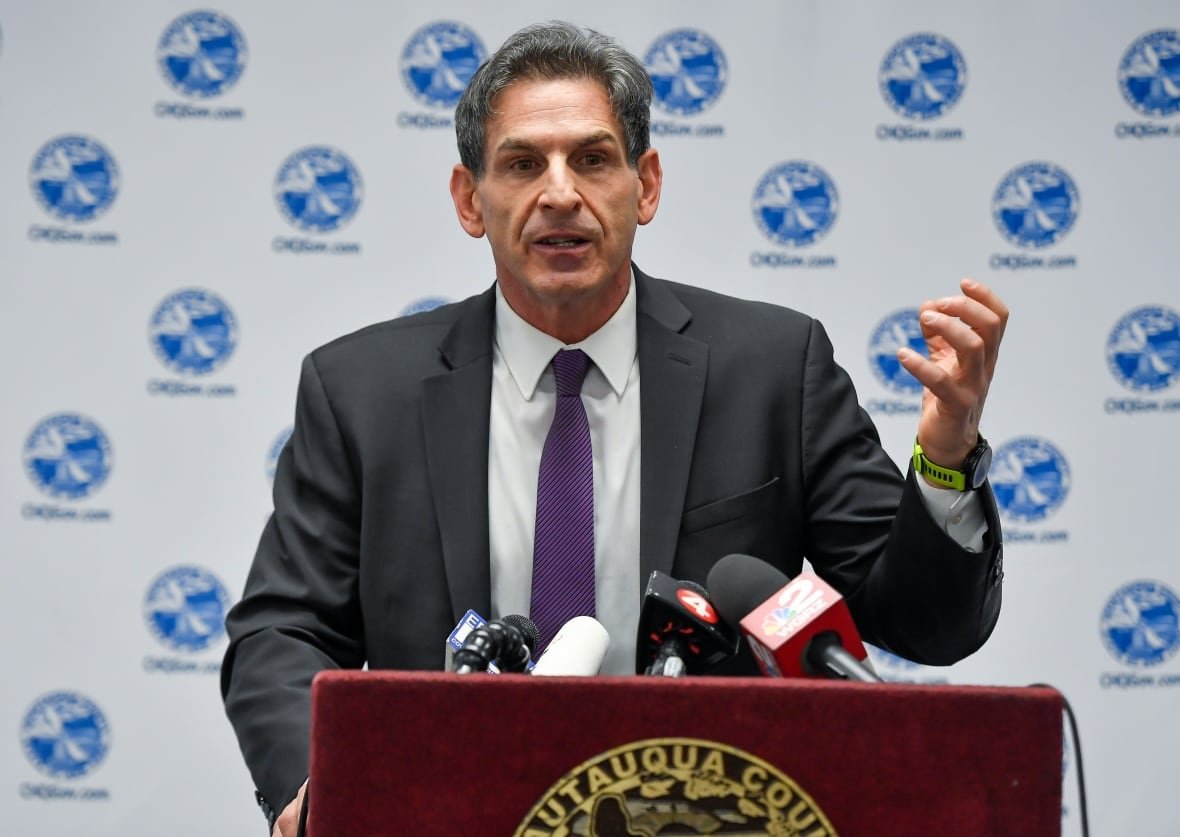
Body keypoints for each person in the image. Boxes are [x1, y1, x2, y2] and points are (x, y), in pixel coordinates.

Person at [222, 21, 1008, 836]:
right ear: (469, 199)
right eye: (523, 163)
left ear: (648, 184)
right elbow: (283, 629)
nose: (560, 192)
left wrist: (946, 457)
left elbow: (923, 620)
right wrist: (314, 788)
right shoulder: (361, 390)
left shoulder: (773, 367)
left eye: (592, 159)